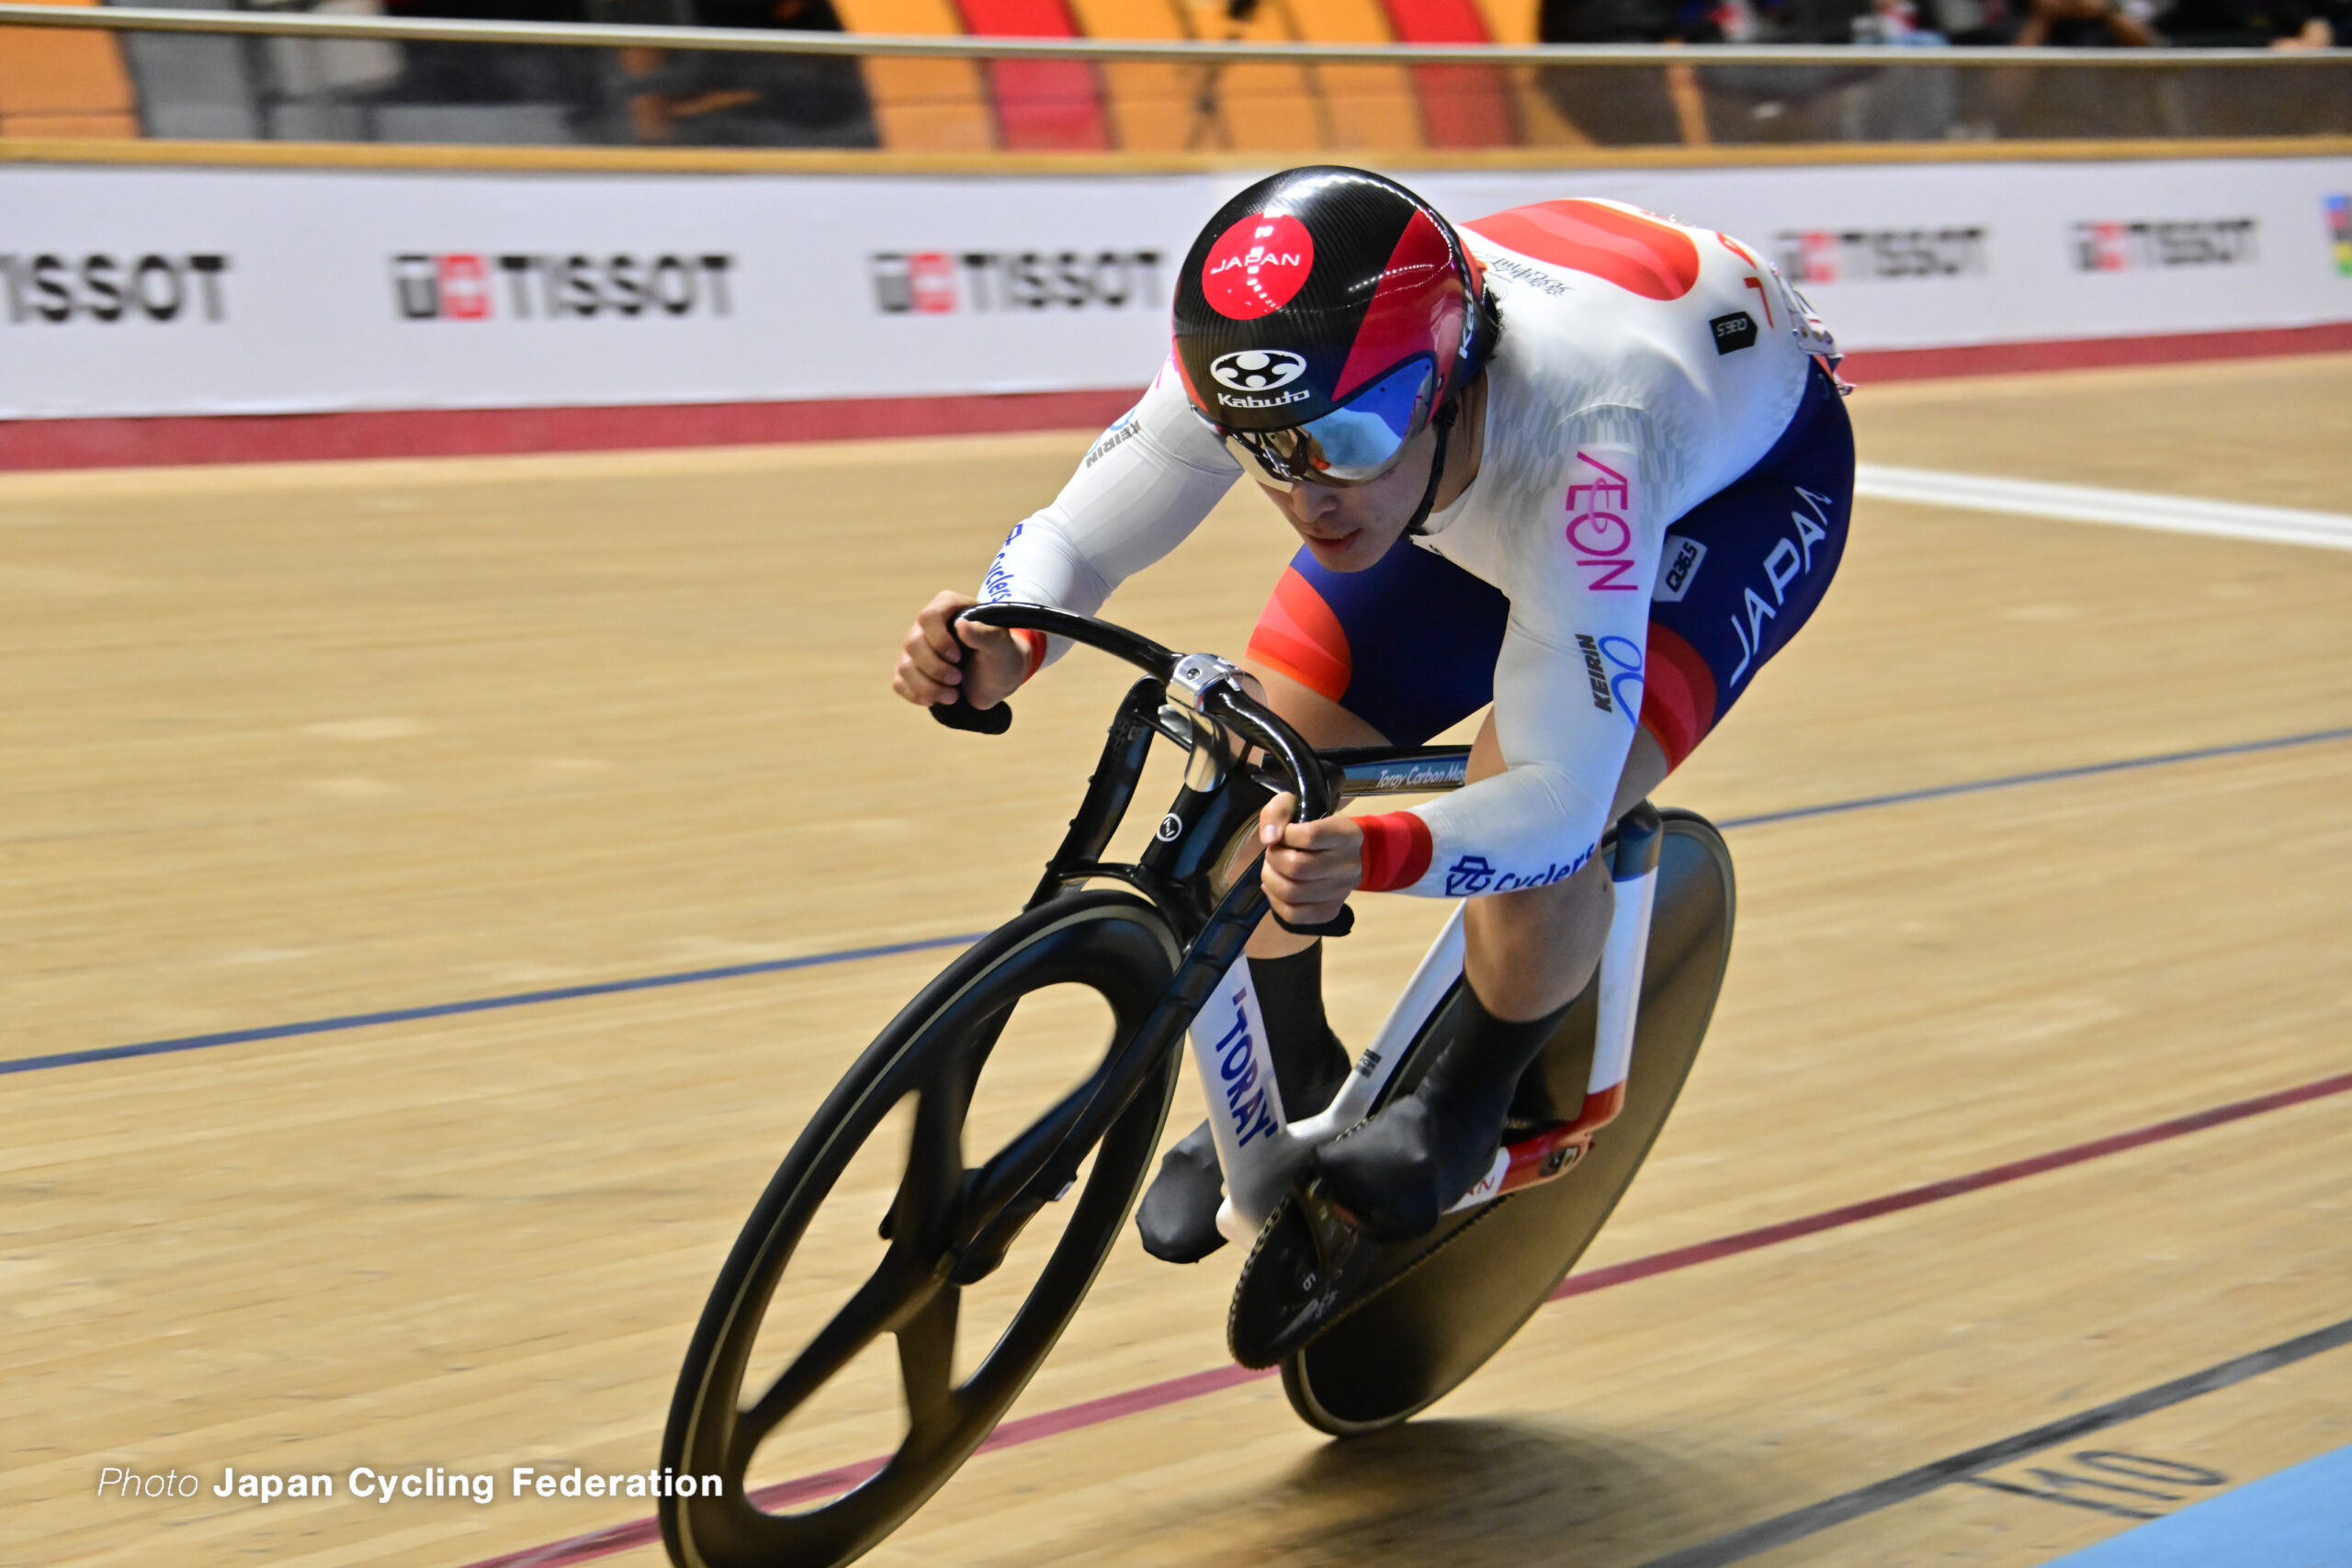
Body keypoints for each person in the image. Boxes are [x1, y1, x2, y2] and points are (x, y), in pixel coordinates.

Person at [892, 167, 1854, 1256]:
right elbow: (1079, 533)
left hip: (1719, 495)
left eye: (1343, 440)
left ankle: (1464, 1102)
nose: (1308, 496)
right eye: (1265, 451)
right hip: (1469, 474)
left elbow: (1550, 800)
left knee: (1534, 805)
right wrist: (1005, 636)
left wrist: (1381, 849)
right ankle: (1290, 1083)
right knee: (1253, 766)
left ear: (1441, 378)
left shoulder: (1596, 444)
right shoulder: (1269, 368)